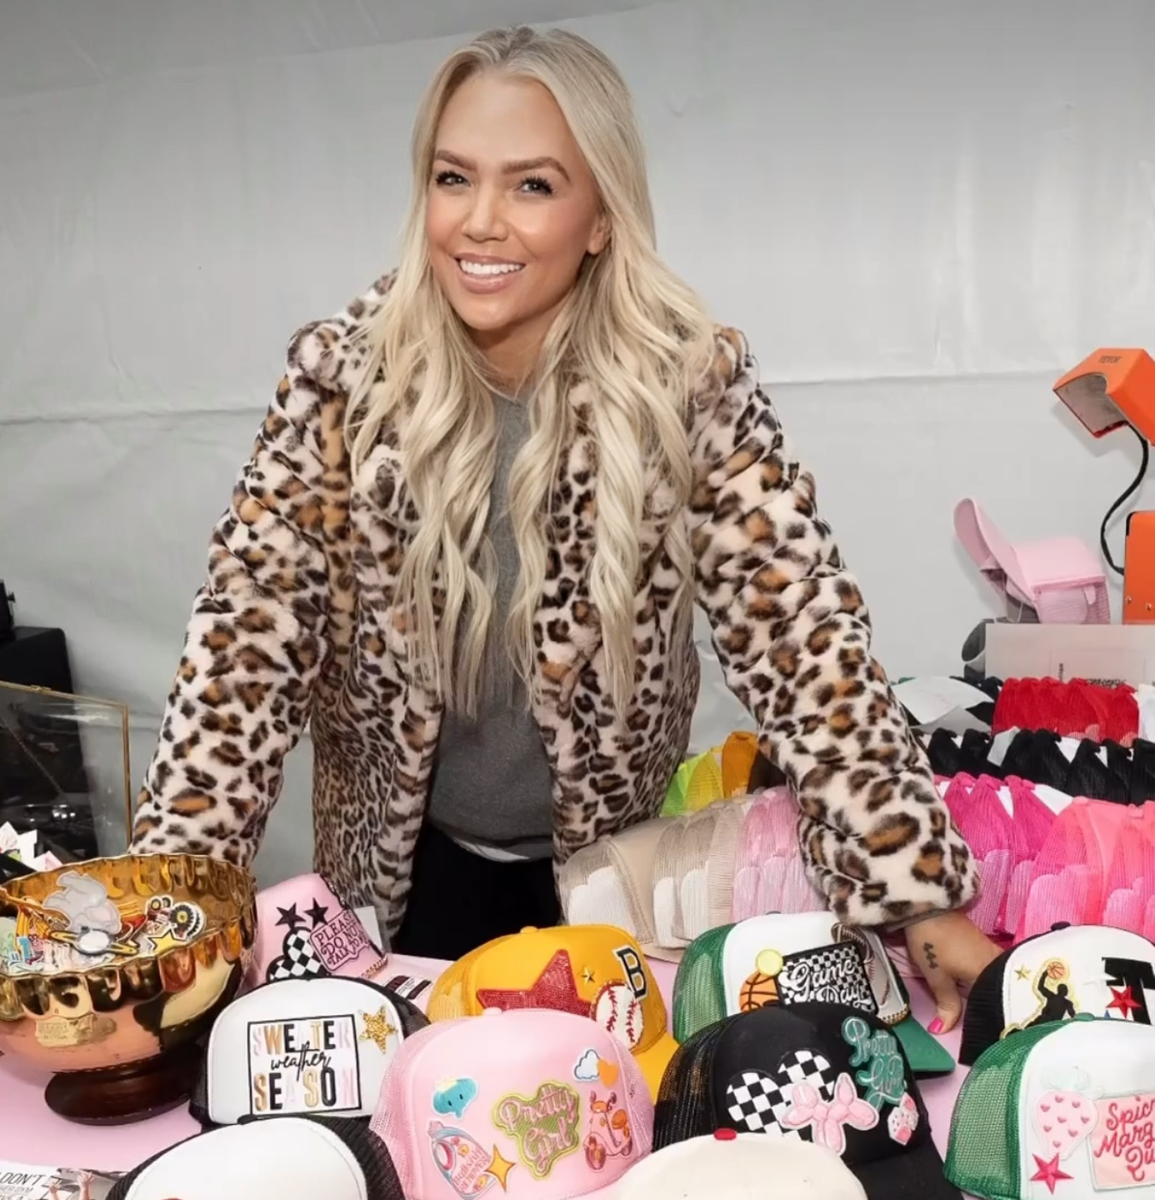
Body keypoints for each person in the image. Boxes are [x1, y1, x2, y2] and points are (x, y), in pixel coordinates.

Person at [128, 24, 999, 1028]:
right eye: (454, 179)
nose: (480, 223)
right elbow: (238, 661)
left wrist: (916, 892)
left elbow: (802, 639)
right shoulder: (343, 380)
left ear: (599, 216)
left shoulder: (688, 383)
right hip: (401, 886)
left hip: (611, 884)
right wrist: (168, 921)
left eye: (533, 186)